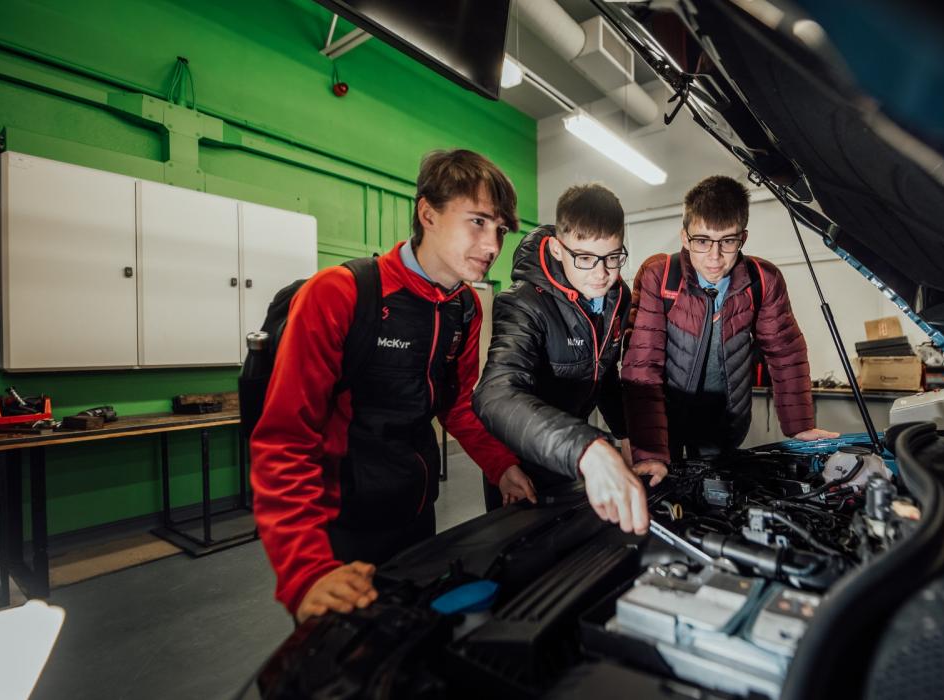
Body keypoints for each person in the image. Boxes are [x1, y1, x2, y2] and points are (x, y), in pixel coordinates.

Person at [251, 150, 535, 622]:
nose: (492, 245)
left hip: (417, 514)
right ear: (428, 213)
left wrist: (500, 464)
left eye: (500, 230)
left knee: (411, 639)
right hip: (339, 530)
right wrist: (306, 571)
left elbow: (459, 404)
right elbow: (284, 438)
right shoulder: (340, 294)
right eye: (478, 222)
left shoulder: (464, 309)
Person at [473, 184, 659, 534]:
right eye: (585, 258)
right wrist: (588, 448)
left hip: (578, 454)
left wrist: (627, 438)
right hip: (522, 460)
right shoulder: (524, 303)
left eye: (613, 258)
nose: (601, 274)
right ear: (558, 249)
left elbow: (604, 375)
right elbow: (496, 392)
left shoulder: (617, 297)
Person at [622, 175, 839, 473]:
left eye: (727, 241)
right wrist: (647, 449)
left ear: (743, 238)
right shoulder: (658, 276)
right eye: (702, 241)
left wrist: (800, 426)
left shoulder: (763, 281)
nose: (715, 257)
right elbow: (642, 366)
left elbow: (785, 352)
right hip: (662, 422)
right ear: (685, 237)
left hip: (724, 424)